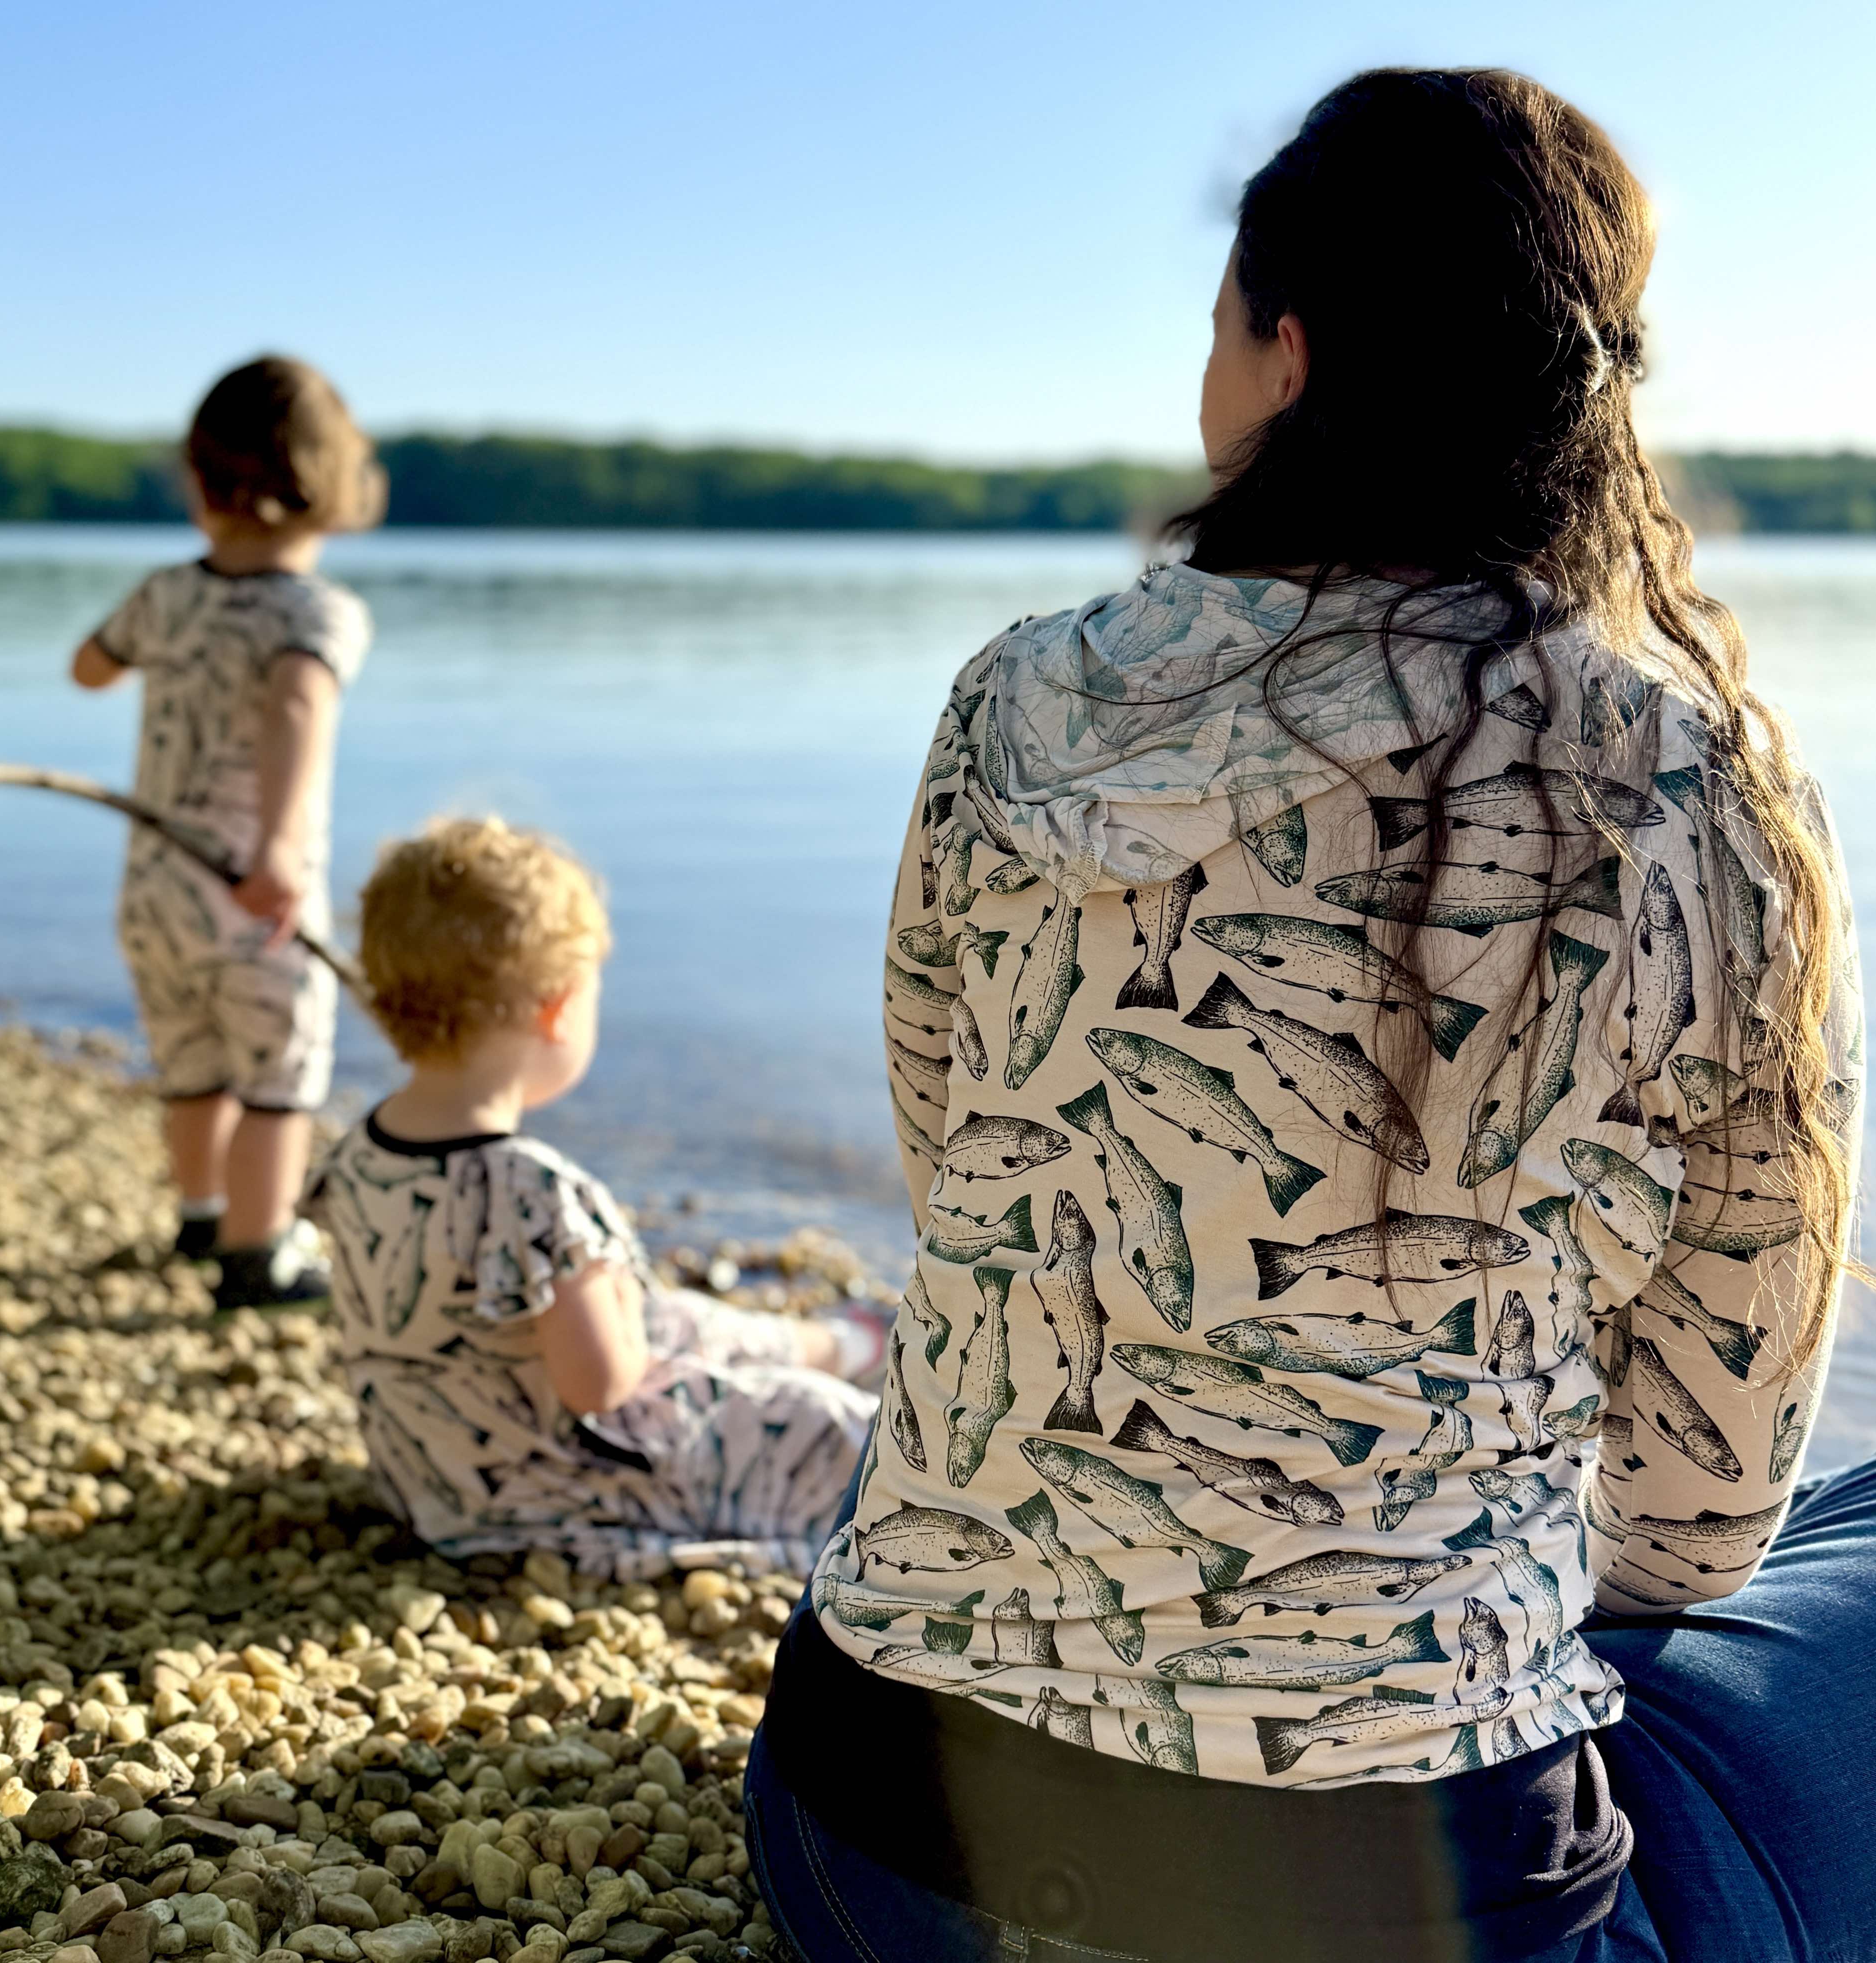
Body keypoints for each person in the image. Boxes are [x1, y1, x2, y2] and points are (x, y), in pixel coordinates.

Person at [748, 68, 1874, 1963]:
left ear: (1284, 354)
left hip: (877, 1851)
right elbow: (1689, 1523)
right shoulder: (1694, 794)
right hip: (1401, 1909)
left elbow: (972, 1185)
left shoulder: (1009, 703)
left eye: (1215, 325)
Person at [304, 814, 885, 1576]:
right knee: (818, 1422)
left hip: (434, 1475)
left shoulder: (358, 1153)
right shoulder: (533, 1193)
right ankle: (844, 1363)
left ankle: (832, 1344)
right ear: (555, 1009)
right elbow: (599, 1383)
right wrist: (613, 1289)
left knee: (677, 1316)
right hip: (550, 1488)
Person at [70, 354, 382, 1308]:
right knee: (278, 1076)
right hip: (254, 891)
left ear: (200, 481)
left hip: (156, 890)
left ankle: (200, 1215)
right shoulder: (318, 613)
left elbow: (89, 667)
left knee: (193, 1063)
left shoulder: (166, 594)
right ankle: (257, 1255)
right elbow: (296, 707)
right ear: (334, 487)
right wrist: (282, 850)